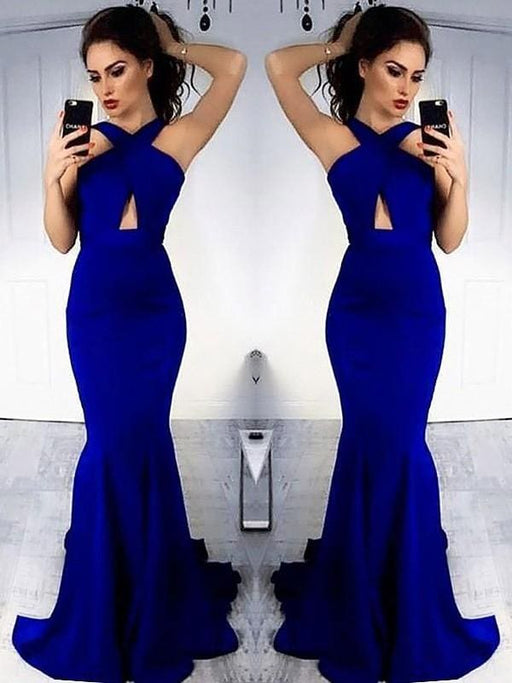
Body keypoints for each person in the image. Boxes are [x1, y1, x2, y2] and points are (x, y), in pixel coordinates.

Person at [265, 5, 500, 682]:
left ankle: (409, 599)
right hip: (356, 317)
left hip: (417, 313)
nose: (405, 87)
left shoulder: (428, 140)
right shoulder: (334, 138)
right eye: (394, 70)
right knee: (369, 444)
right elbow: (278, 67)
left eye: (416, 76)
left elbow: (449, 238)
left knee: (404, 449)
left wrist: (458, 174)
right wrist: (340, 41)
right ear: (365, 66)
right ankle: (359, 589)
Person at [11, 5, 247, 682]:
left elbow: (233, 68)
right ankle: (101, 601)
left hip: (155, 317)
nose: (106, 87)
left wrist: (171, 41)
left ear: (146, 66)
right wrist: (53, 173)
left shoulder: (178, 138)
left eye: (118, 70)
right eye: (95, 76)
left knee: (142, 444)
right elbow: (62, 239)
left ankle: (152, 591)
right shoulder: (83, 141)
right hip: (94, 313)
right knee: (107, 449)